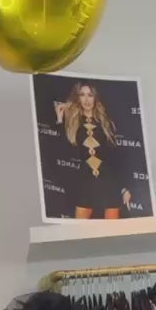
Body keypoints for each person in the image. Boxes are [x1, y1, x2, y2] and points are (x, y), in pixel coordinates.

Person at [54, 81, 132, 219]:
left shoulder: (105, 123)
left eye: (90, 95)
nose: (86, 99)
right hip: (85, 182)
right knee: (80, 230)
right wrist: (60, 120)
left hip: (109, 182)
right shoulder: (73, 122)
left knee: (111, 230)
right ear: (77, 98)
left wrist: (124, 188)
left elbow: (116, 158)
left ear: (95, 97)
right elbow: (65, 150)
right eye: (82, 95)